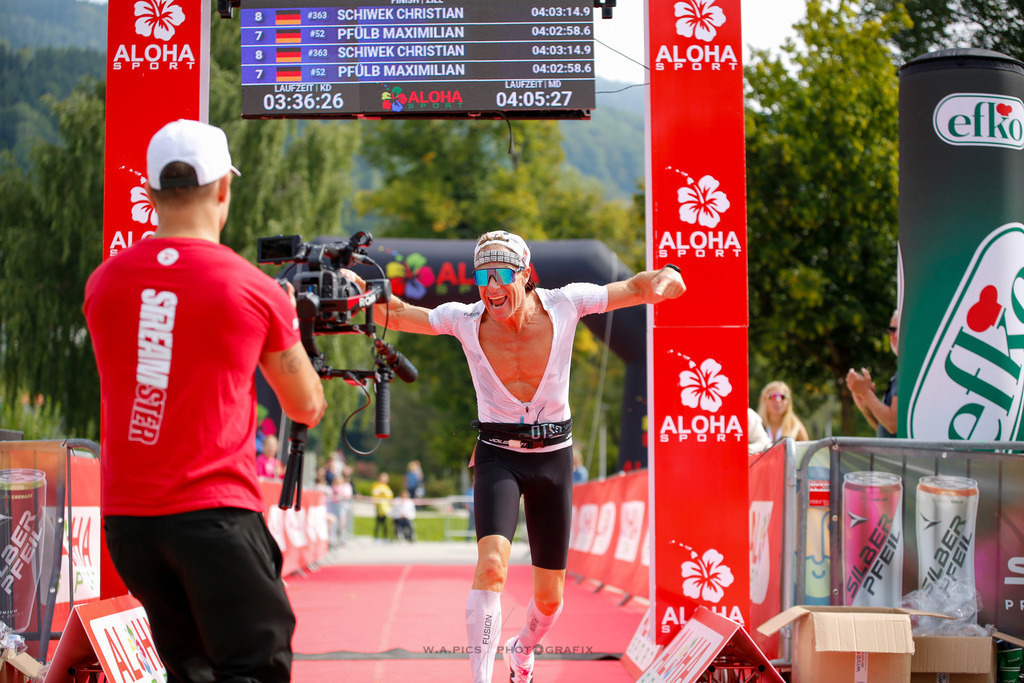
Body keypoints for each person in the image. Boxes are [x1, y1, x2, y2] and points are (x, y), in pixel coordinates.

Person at [348, 229, 685, 683]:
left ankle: (522, 649)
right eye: (482, 276)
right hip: (497, 456)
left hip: (553, 460)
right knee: (491, 566)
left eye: (502, 274)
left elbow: (635, 287)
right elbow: (402, 313)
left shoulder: (566, 303)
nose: (491, 287)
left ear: (525, 275)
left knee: (550, 600)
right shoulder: (465, 319)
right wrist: (359, 292)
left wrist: (668, 274)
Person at [82, 119, 327, 682]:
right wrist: (289, 323)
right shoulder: (252, 288)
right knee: (254, 666)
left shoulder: (104, 282)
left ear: (150, 192)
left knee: (189, 671)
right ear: (223, 188)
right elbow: (306, 407)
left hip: (130, 522)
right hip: (214, 513)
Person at [847, 310, 900, 437]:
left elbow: (893, 424)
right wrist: (865, 406)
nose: (891, 336)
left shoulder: (907, 372)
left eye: (895, 330)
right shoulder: (901, 371)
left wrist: (865, 393)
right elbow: (884, 427)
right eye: (890, 331)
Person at [371, 471, 394, 542]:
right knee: (378, 522)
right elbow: (374, 494)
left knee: (386, 523)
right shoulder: (376, 485)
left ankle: (385, 537)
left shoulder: (387, 487)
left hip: (385, 507)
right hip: (379, 506)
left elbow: (390, 496)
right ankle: (376, 537)